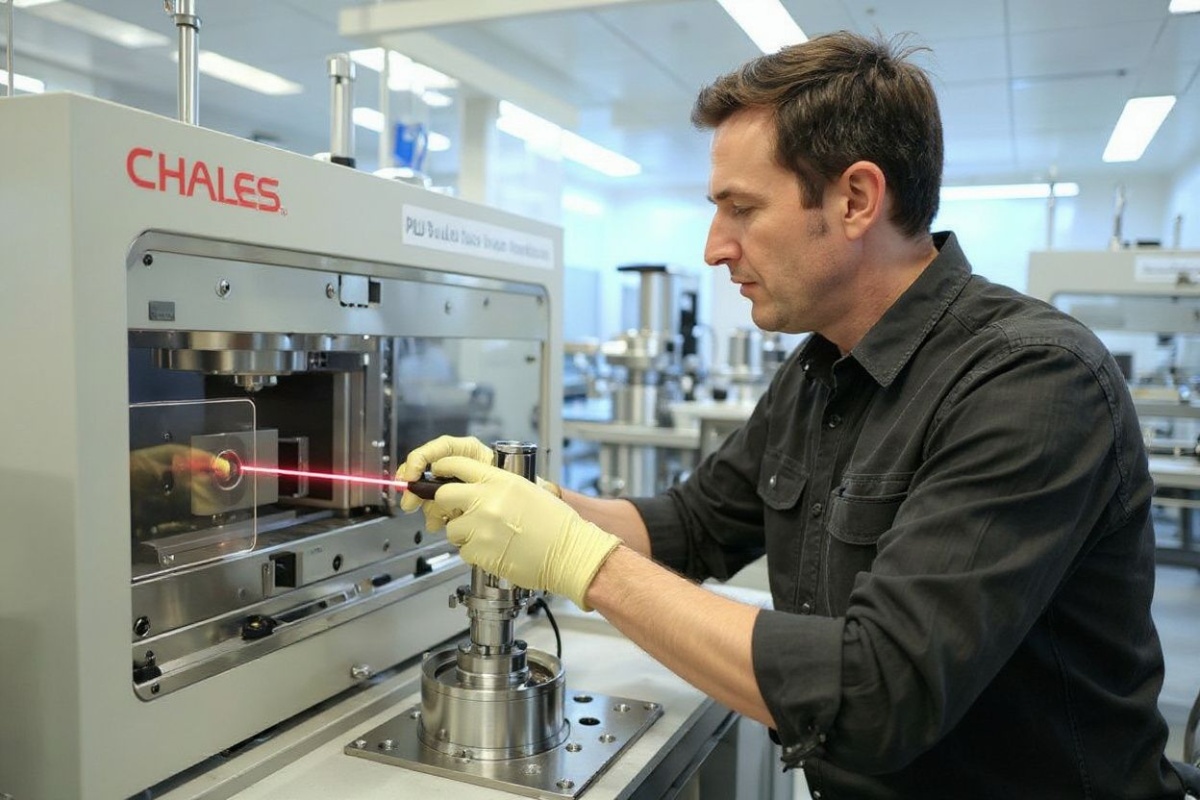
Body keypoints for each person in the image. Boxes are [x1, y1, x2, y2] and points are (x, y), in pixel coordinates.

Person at [397, 31, 1186, 798]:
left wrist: (580, 562)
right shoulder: (818, 370)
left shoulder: (1031, 381)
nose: (715, 247)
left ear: (855, 199)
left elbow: (880, 689)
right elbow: (694, 523)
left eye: (741, 209)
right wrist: (537, 504)